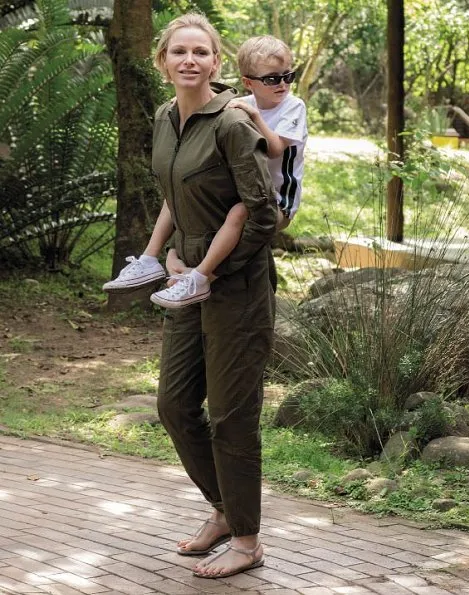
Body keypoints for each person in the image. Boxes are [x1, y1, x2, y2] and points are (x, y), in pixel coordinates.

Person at [150, 13, 277, 579]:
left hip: (237, 286)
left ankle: (247, 541)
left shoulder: (230, 122)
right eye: (179, 52)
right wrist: (170, 255)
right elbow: (174, 196)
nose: (190, 61)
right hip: (187, 280)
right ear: (163, 61)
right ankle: (223, 511)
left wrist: (210, 269)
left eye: (201, 52)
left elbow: (263, 212)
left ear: (217, 63)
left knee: (231, 415)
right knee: (175, 406)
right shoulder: (164, 119)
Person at [103, 36, 307, 310]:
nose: (282, 84)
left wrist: (254, 116)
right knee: (174, 195)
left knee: (237, 213)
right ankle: (149, 259)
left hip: (278, 201)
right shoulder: (242, 103)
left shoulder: (293, 106)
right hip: (245, 192)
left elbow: (274, 149)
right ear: (248, 82)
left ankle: (201, 275)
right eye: (272, 79)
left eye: (288, 76)